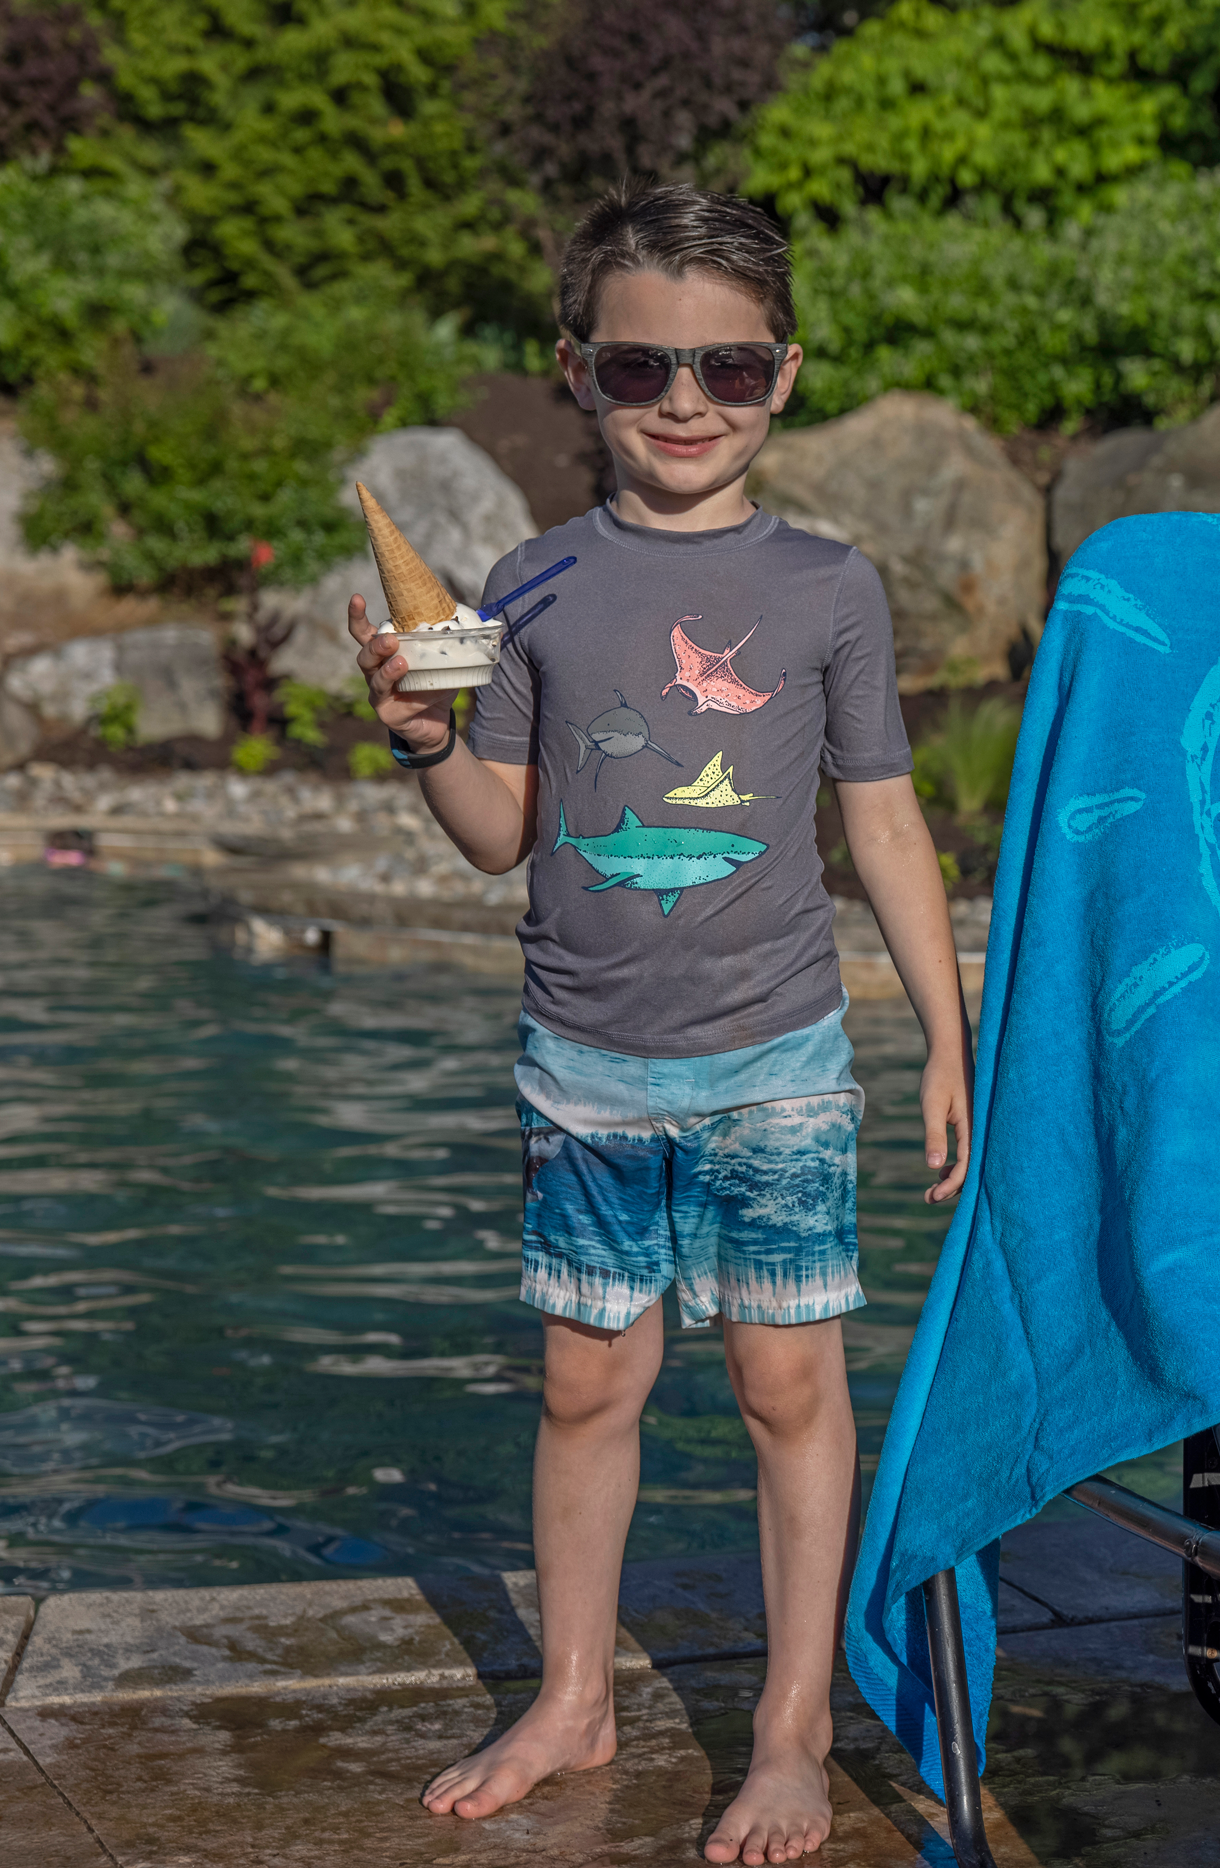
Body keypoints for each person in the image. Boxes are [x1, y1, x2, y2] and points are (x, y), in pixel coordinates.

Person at [351, 183, 972, 1865]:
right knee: (585, 1382)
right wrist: (424, 739)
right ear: (576, 370)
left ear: (785, 372)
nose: (685, 401)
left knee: (787, 1384)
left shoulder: (832, 588)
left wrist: (946, 1032)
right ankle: (574, 1693)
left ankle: (787, 1725)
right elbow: (504, 832)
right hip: (583, 1059)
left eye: (728, 365)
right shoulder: (526, 581)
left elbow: (887, 821)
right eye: (640, 368)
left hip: (777, 1053)